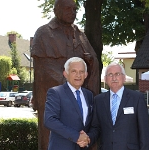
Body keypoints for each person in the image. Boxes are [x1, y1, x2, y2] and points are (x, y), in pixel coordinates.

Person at [31, 0, 100, 149]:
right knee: (51, 136)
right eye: (68, 9)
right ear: (56, 10)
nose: (72, 12)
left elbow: (93, 60)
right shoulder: (43, 33)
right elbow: (43, 69)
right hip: (54, 97)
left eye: (75, 9)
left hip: (79, 97)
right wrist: (70, 82)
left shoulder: (80, 34)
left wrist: (90, 61)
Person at [85, 62, 149, 150]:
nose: (114, 78)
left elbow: (145, 132)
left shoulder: (137, 98)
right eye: (110, 74)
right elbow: (96, 127)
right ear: (105, 79)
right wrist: (88, 138)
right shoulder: (98, 100)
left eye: (117, 74)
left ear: (124, 77)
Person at [44, 57, 92, 150]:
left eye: (81, 72)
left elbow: (90, 123)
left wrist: (87, 138)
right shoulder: (56, 92)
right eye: (74, 71)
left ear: (86, 74)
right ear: (65, 74)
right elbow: (49, 120)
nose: (78, 75)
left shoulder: (89, 95)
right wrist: (76, 136)